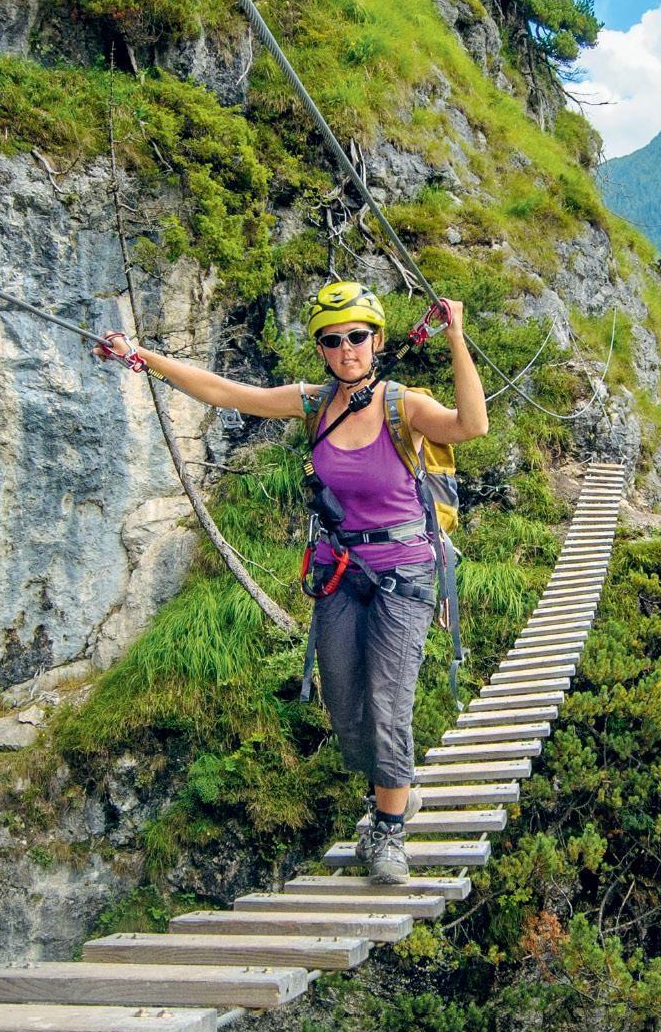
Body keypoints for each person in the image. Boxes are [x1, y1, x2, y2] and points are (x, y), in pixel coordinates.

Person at [94, 285, 484, 883]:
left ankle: (388, 831)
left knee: (387, 704)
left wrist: (456, 335)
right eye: (333, 339)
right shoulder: (312, 405)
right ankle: (397, 784)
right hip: (339, 571)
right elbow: (227, 393)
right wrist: (141, 356)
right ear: (323, 350)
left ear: (376, 342)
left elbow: (471, 425)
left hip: (405, 573)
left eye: (357, 336)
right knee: (347, 706)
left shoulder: (406, 406)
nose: (347, 348)